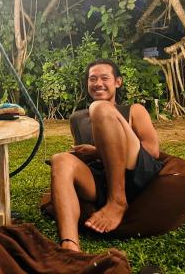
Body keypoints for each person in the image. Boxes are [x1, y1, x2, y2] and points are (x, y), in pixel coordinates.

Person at [49, 59, 163, 252]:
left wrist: (97, 151)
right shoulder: (77, 119)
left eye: (104, 78)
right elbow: (94, 162)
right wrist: (84, 157)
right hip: (102, 179)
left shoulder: (134, 110)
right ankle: (70, 245)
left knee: (100, 108)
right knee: (59, 159)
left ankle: (117, 201)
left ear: (117, 82)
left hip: (135, 171)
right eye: (92, 79)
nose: (98, 83)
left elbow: (152, 151)